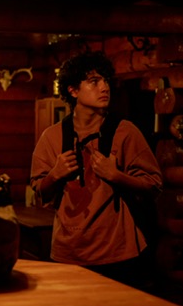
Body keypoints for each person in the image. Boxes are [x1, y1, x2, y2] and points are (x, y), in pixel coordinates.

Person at [30, 50, 163, 291]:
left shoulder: (125, 132)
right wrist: (54, 174)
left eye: (106, 81)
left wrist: (117, 176)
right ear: (73, 90)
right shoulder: (52, 137)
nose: (105, 87)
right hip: (67, 254)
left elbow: (154, 185)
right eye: (94, 81)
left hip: (119, 254)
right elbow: (39, 192)